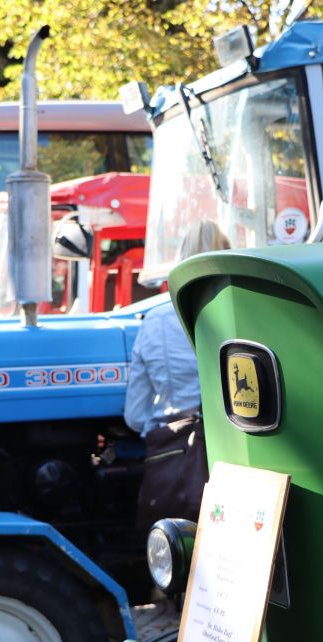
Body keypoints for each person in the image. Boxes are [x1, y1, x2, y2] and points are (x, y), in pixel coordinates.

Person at [124, 220, 231, 534]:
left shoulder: (154, 322)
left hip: (172, 456)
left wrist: (168, 426)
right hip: (233, 450)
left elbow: (134, 415)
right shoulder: (237, 314)